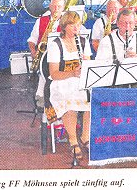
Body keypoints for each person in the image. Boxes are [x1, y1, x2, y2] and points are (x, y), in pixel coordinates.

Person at [95, 9, 137, 141]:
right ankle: (119, 128)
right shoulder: (107, 41)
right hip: (114, 79)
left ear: (135, 24)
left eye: (131, 23)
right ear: (118, 24)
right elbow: (100, 64)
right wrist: (120, 59)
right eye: (124, 23)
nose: (127, 27)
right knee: (118, 95)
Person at [47, 11, 92, 162]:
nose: (76, 29)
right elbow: (54, 74)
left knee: (92, 98)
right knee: (70, 101)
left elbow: (88, 65)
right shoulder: (55, 45)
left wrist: (85, 67)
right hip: (61, 82)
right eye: (72, 25)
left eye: (78, 25)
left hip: (80, 80)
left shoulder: (83, 42)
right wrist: (72, 73)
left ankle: (85, 136)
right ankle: (72, 139)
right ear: (64, 27)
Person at [28, 0, 65, 108]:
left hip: (61, 56)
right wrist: (33, 51)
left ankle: (48, 96)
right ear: (49, 6)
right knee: (46, 68)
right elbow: (32, 39)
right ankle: (44, 97)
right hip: (43, 56)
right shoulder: (41, 20)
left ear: (63, 8)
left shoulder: (67, 21)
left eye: (59, 6)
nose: (56, 9)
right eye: (53, 6)